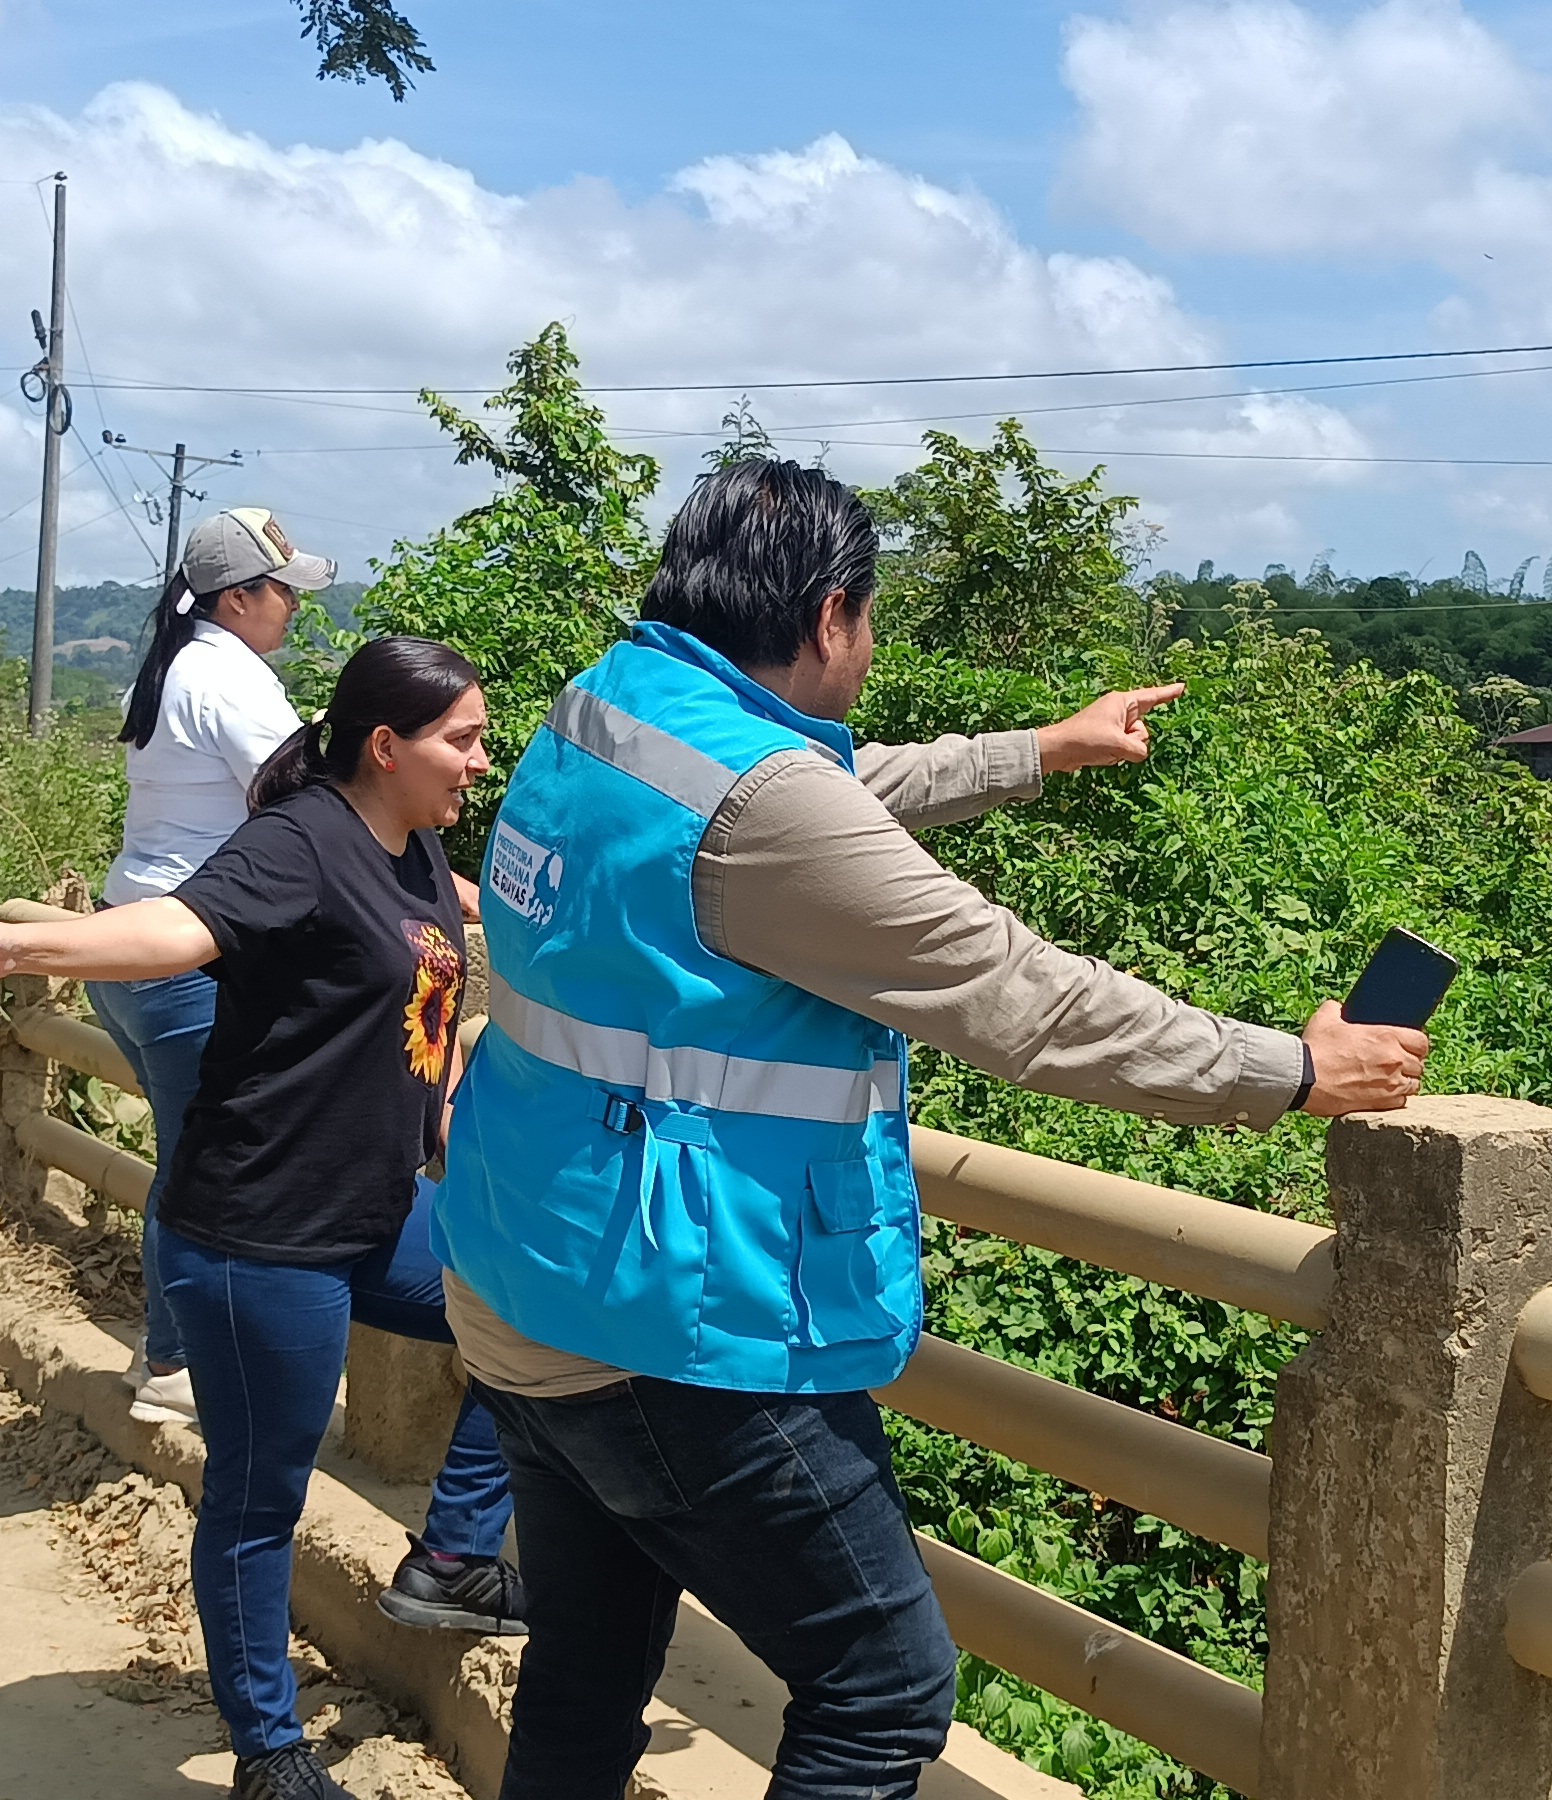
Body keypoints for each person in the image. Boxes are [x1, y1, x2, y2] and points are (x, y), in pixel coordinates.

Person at [430, 459, 1431, 1800]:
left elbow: (802, 802)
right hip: (667, 1325)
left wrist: (1037, 752)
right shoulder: (760, 801)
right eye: (871, 619)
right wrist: (1294, 1069)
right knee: (880, 1689)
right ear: (830, 614)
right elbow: (1023, 997)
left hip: (521, 1264)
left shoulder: (612, 708)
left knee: (586, 1667)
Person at [0, 637, 530, 1800]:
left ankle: (454, 1556)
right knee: (258, 1499)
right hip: (257, 1232)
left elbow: (451, 962)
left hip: (378, 1210)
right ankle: (268, 1751)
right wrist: (14, 945)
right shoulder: (297, 842)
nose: (482, 761)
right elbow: (172, 930)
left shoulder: (418, 847)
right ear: (387, 745)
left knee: (536, 1322)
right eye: (464, 740)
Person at [93, 505, 335, 1428]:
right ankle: (174, 1362)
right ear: (238, 598)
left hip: (128, 934)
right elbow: (310, 804)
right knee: (199, 1166)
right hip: (186, 954)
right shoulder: (231, 679)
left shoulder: (171, 667)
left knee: (184, 1152)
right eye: (283, 592)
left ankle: (172, 1347)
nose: (293, 608)